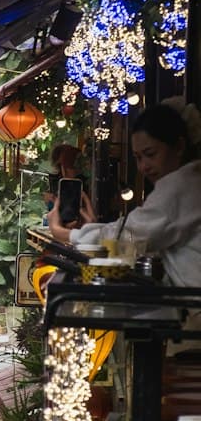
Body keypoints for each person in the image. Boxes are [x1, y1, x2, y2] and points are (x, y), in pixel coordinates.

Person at [48, 100, 201, 287]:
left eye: (151, 154)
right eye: (138, 158)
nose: (144, 166)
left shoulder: (181, 186)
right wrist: (92, 229)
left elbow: (128, 236)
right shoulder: (190, 180)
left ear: (178, 146)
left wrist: (64, 234)